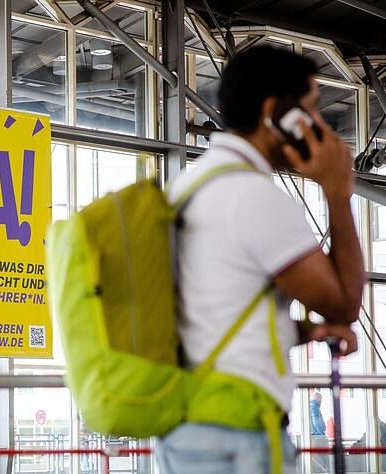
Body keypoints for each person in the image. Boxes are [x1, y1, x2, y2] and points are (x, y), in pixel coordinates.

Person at [155, 45, 363, 473]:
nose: (320, 127)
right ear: (277, 113)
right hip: (238, 433)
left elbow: (214, 316)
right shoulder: (252, 197)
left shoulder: (189, 186)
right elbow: (344, 302)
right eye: (311, 111)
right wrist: (338, 193)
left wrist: (305, 330)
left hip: (187, 425)